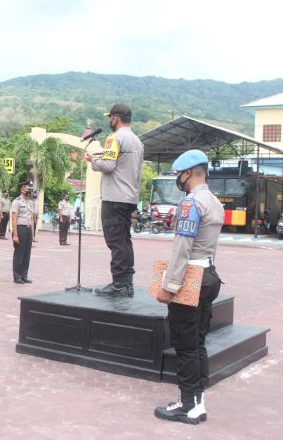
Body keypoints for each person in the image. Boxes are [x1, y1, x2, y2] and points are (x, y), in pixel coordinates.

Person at [154, 149, 224, 425]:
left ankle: (187, 406)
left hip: (190, 278)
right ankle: (197, 401)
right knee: (198, 343)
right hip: (208, 274)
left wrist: (169, 286)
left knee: (184, 344)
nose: (177, 180)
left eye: (178, 175)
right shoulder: (214, 202)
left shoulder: (190, 204)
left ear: (190, 173)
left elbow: (182, 248)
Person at [86, 103, 144, 297]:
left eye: (110, 117)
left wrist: (92, 161)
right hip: (130, 197)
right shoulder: (137, 140)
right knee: (125, 240)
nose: (110, 121)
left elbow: (109, 165)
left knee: (115, 242)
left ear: (115, 118)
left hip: (114, 197)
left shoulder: (114, 138)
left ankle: (118, 284)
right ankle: (127, 283)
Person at [11, 180, 37, 284]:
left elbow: (31, 218)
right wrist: (15, 235)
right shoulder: (16, 201)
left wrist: (32, 234)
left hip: (28, 229)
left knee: (27, 253)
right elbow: (14, 219)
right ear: (22, 189)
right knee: (19, 254)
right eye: (27, 188)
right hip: (20, 228)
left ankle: (24, 275)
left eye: (30, 188)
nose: (29, 190)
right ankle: (17, 276)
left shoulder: (30, 202)